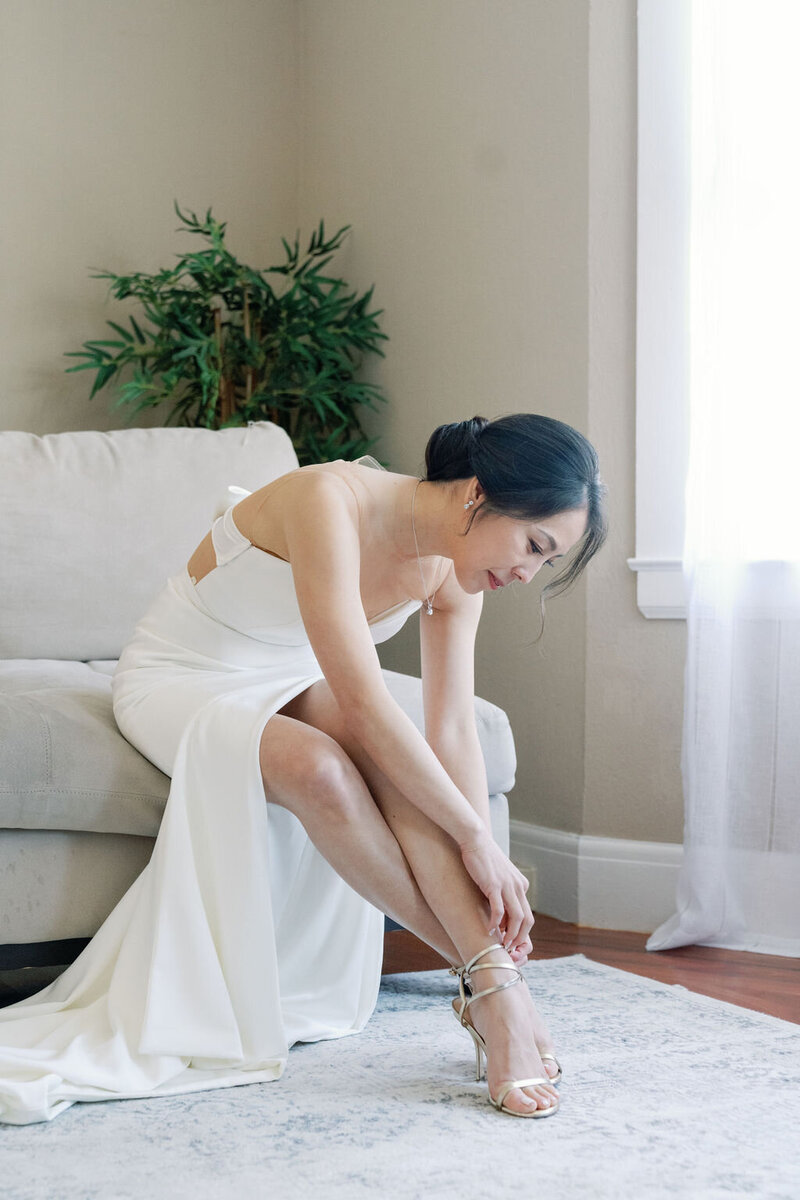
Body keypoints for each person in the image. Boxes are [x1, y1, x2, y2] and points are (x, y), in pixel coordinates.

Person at [0, 413, 606, 1125]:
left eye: (548, 562)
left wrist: (484, 846)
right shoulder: (329, 501)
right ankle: (497, 991)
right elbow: (360, 694)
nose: (528, 572)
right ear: (478, 493)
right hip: (184, 671)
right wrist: (472, 838)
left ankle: (492, 988)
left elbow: (451, 731)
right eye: (534, 545)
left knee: (406, 767)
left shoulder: (457, 578)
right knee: (320, 767)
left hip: (285, 672)